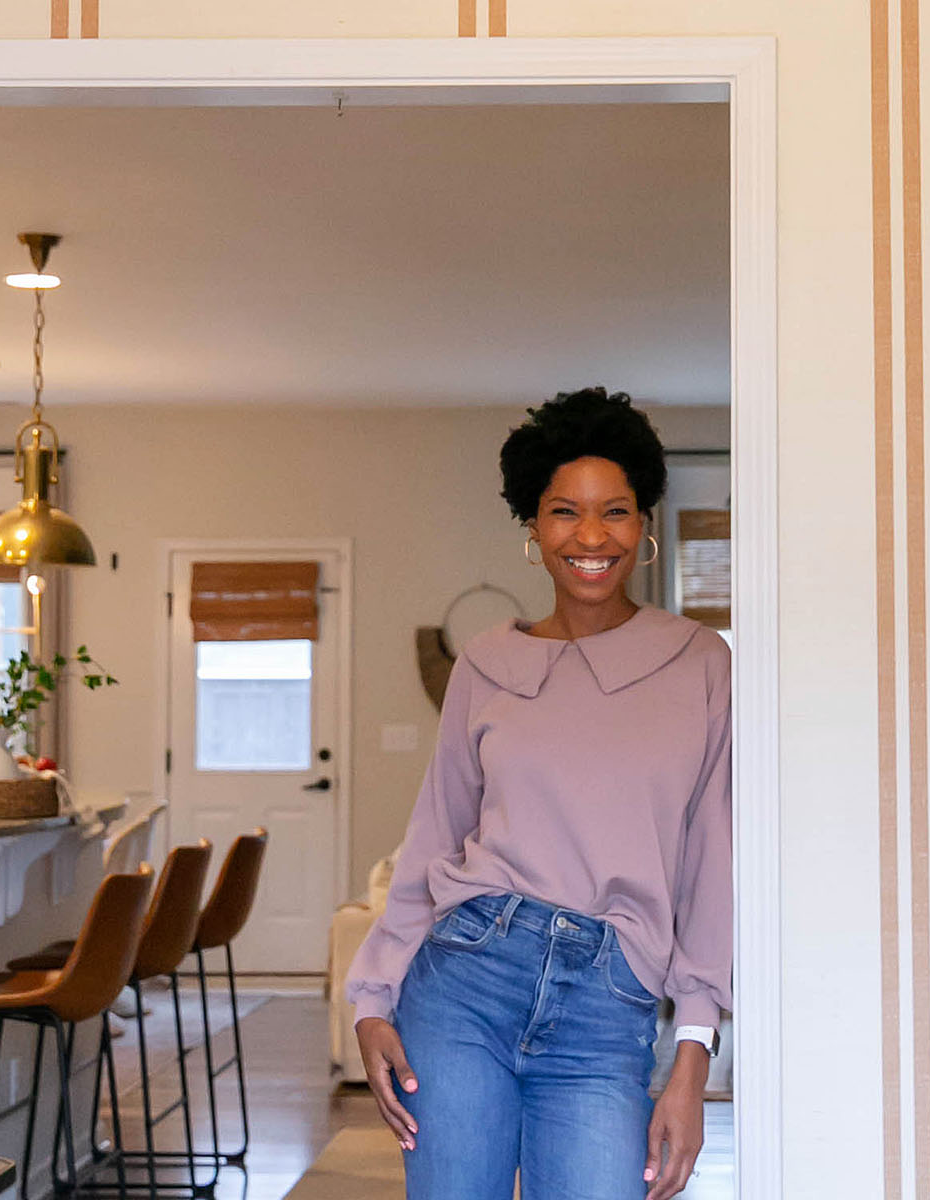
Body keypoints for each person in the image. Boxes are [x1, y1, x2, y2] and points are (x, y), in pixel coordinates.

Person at [344, 387, 732, 1200]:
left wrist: (692, 1056)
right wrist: (372, 999)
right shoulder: (486, 664)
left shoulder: (701, 664)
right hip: (464, 985)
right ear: (533, 527)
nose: (591, 537)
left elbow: (712, 867)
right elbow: (435, 835)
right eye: (565, 511)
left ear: (645, 523)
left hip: (607, 1007)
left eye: (615, 511)